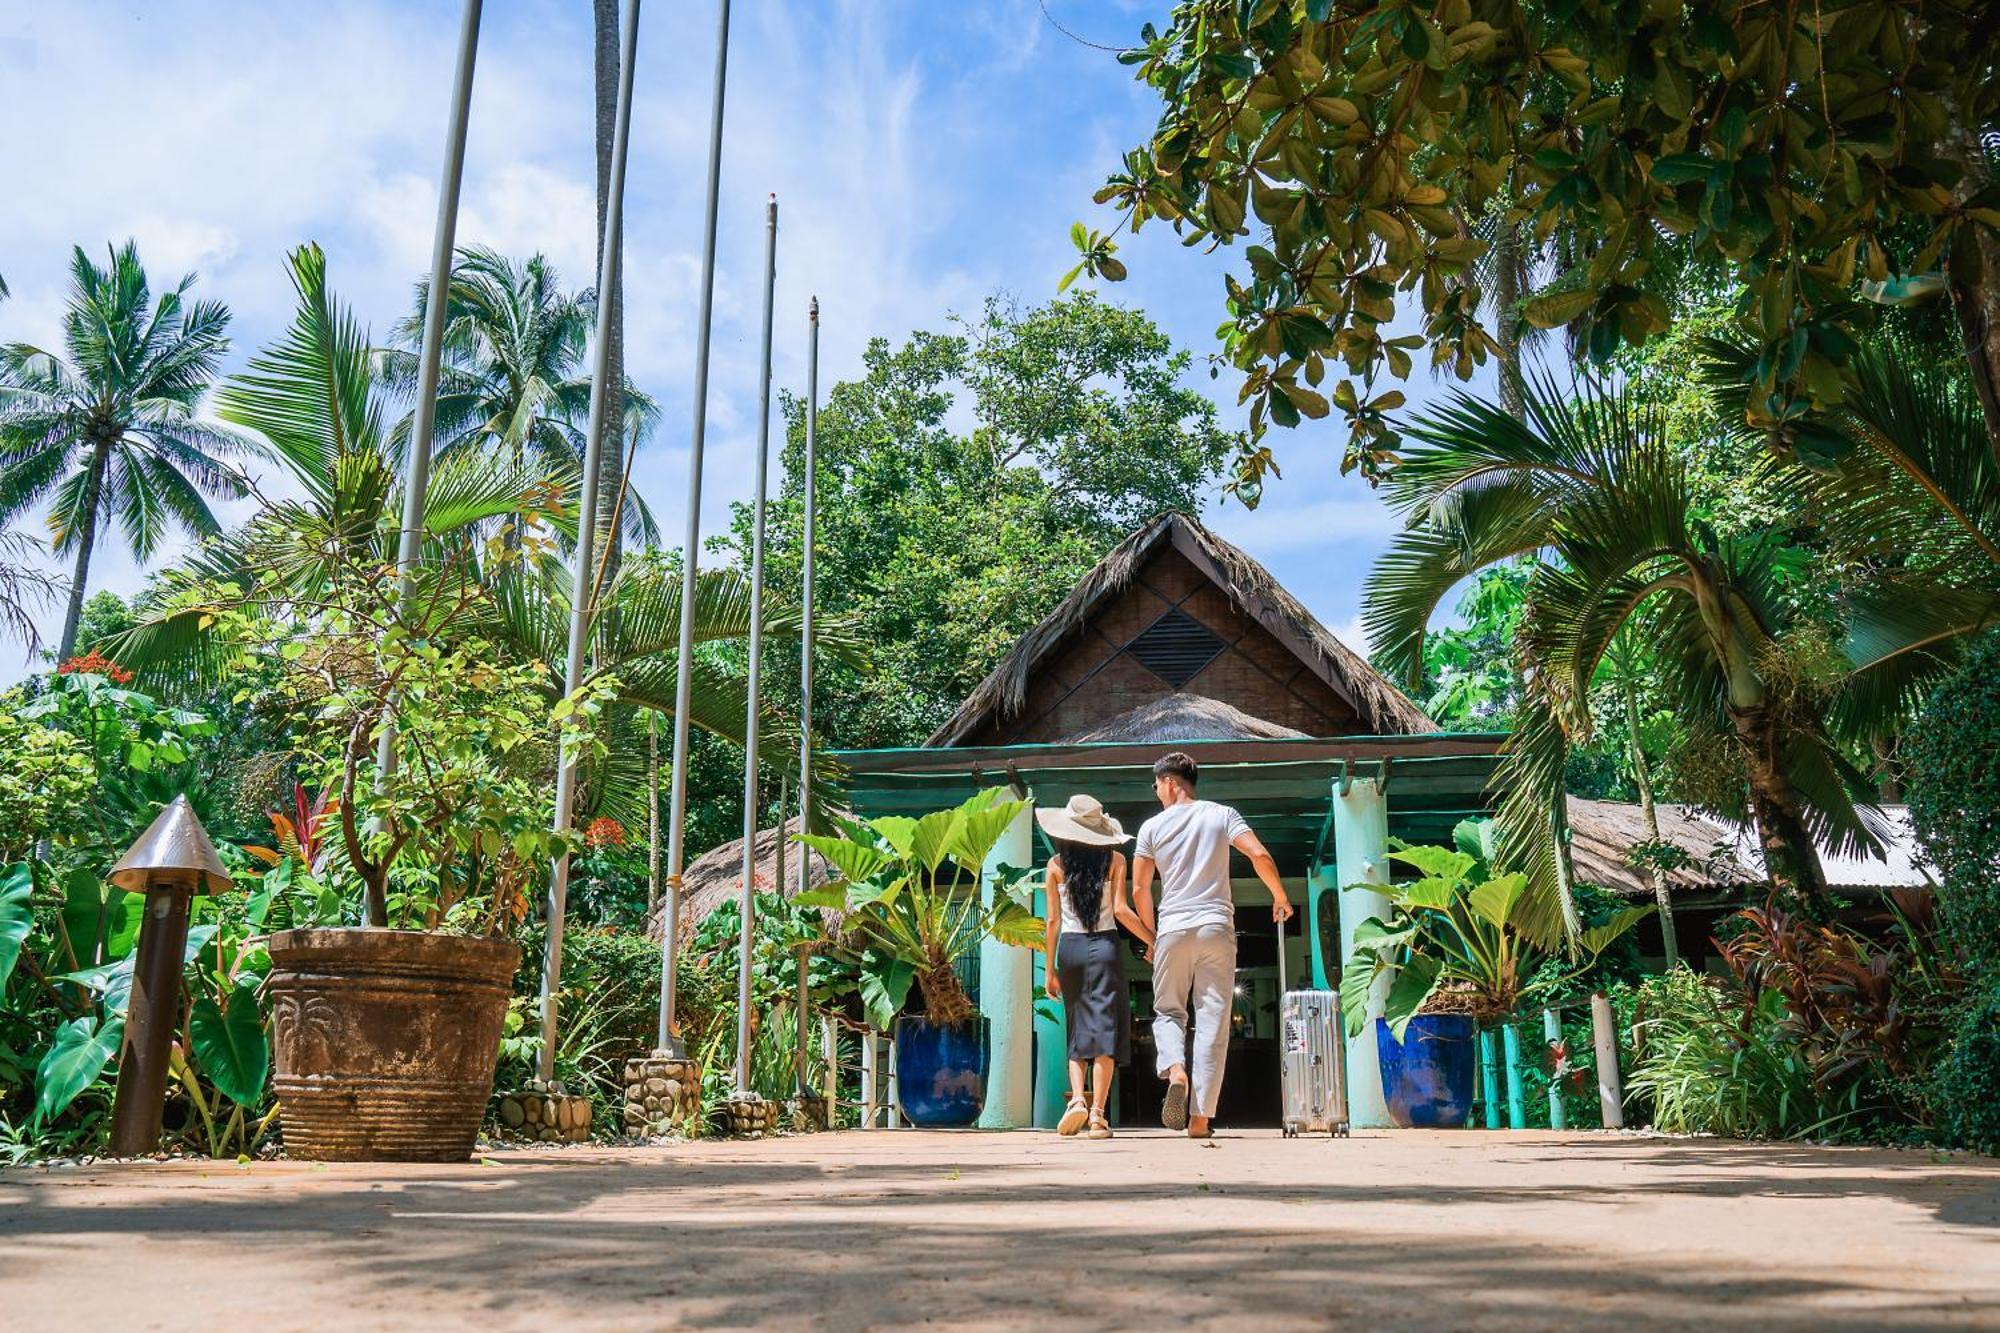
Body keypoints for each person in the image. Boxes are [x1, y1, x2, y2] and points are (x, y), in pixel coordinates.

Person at [1133, 750, 1293, 1138]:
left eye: (1157, 786)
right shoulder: (1222, 814)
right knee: (1213, 1022)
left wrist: (1152, 938)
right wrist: (1280, 896)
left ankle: (1175, 1070)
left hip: (1172, 926)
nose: (1156, 793)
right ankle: (1200, 1119)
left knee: (1168, 1011)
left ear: (1170, 783)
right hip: (1217, 926)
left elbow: (1139, 889)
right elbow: (1259, 854)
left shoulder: (1151, 828)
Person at [1038, 794, 1152, 1140]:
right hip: (1104, 946)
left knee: (1077, 1028)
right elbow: (1120, 910)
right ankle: (1099, 1116)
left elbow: (1053, 921)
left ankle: (1076, 1100)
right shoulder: (1115, 859)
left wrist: (1049, 971)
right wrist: (1153, 939)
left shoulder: (1055, 865)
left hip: (1069, 951)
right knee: (1105, 1029)